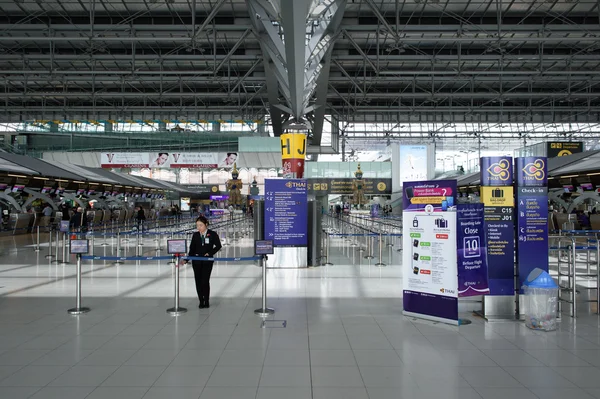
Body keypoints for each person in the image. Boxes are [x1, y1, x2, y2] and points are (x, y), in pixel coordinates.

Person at [186, 215, 222, 308]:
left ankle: (206, 300)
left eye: (201, 225)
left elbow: (218, 246)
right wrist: (187, 259)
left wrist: (210, 253)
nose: (199, 227)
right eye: (197, 225)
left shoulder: (212, 234)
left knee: (205, 281)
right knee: (198, 281)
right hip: (196, 261)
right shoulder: (195, 235)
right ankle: (201, 300)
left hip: (207, 261)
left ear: (206, 224)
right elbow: (192, 249)